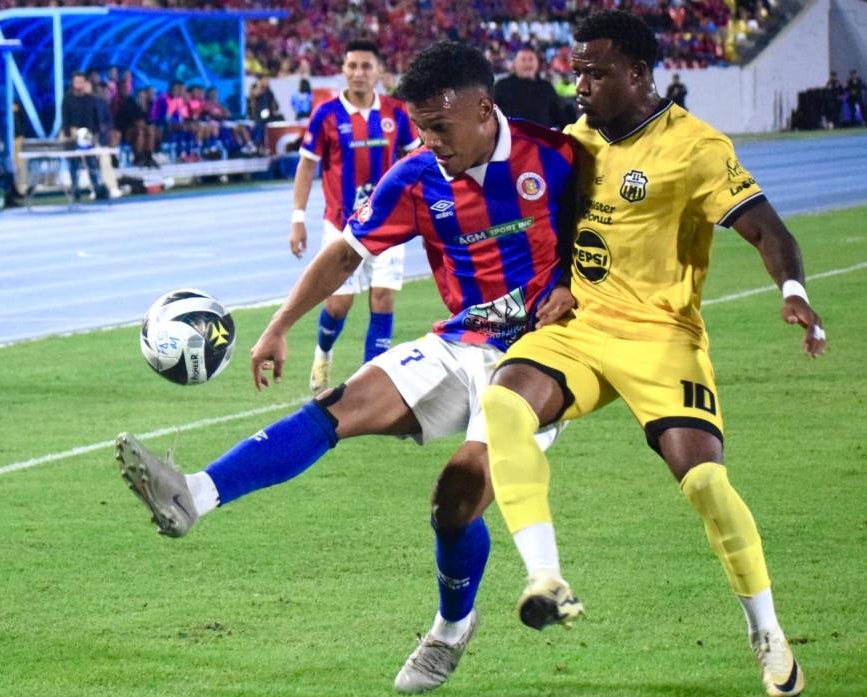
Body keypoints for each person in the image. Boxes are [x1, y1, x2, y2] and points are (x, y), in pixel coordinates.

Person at [114, 40, 578, 694]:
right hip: (458, 339)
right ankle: (194, 494)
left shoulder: (554, 156)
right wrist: (278, 326)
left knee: (458, 493)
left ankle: (450, 628)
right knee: (337, 407)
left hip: (536, 358)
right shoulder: (417, 175)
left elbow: (609, 235)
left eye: (440, 128)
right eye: (420, 128)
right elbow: (345, 254)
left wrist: (579, 287)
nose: (430, 141)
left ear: (483, 109)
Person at [481, 11, 824, 697]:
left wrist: (792, 289)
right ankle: (547, 575)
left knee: (705, 485)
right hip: (578, 324)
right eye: (576, 69)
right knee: (502, 401)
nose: (579, 84)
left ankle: (768, 632)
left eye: (596, 72)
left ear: (638, 75)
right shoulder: (572, 142)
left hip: (661, 337)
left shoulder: (694, 146)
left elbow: (764, 226)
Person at [288, 38, 420, 394]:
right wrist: (297, 217)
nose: (358, 73)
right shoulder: (326, 115)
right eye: (352, 66)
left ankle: (368, 385)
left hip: (389, 223)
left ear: (379, 71)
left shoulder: (397, 113)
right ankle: (323, 353)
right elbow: (306, 167)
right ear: (343, 71)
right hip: (342, 225)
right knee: (339, 302)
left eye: (366, 66)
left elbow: (416, 162)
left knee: (383, 298)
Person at [61, 71, 109, 201]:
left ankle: (97, 187)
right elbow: (65, 118)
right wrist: (68, 134)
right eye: (77, 82)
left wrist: (96, 132)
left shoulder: (89, 99)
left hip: (88, 134)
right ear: (73, 83)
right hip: (73, 134)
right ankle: (75, 190)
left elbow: (94, 117)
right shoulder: (67, 99)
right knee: (74, 164)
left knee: (91, 162)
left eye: (81, 82)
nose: (79, 84)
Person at [493, 47, 565, 128]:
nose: (527, 63)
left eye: (531, 59)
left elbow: (559, 117)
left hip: (540, 138)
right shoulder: (502, 86)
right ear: (515, 64)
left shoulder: (547, 87)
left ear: (537, 63)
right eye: (523, 60)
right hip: (512, 137)